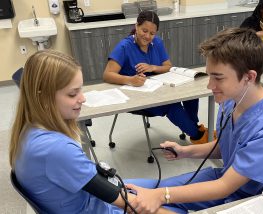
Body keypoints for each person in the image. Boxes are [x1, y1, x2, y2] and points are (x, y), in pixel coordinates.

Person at [124, 28, 263, 214]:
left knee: (148, 203)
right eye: (210, 75)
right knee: (134, 189)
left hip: (260, 199)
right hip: (229, 179)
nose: (210, 86)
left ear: (249, 77)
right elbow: (226, 145)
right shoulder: (231, 101)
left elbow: (225, 187)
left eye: (218, 78)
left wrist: (162, 195)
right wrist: (185, 151)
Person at [8, 50, 174, 214]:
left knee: (170, 190)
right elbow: (130, 205)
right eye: (73, 93)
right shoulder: (57, 149)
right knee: (170, 196)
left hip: (87, 198)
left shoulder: (28, 129)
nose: (83, 98)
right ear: (43, 97)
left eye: (80, 90)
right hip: (98, 206)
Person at [103, 10, 212, 144]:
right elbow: (107, 75)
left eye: (152, 33)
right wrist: (130, 80)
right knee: (173, 106)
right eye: (144, 30)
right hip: (137, 96)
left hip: (158, 89)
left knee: (190, 96)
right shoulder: (124, 47)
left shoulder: (157, 43)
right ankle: (199, 136)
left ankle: (195, 128)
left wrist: (152, 67)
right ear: (136, 26)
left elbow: (168, 66)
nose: (147, 36)